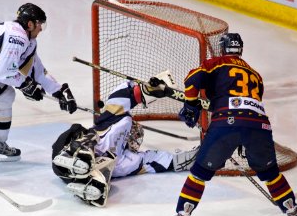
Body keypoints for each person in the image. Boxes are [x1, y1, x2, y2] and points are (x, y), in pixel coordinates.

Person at [168, 32, 297, 216]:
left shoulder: (216, 63)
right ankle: (293, 210)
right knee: (270, 174)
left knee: (199, 174)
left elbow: (192, 79)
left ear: (223, 48)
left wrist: (191, 104)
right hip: (259, 126)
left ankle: (183, 215)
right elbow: (251, 102)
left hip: (225, 124)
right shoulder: (255, 74)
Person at [0, 3, 77, 162]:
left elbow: (36, 70)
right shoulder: (17, 37)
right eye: (39, 24)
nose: (41, 29)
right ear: (30, 24)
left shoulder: (26, 39)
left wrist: (59, 91)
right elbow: (4, 73)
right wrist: (26, 85)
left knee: (6, 96)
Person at [52, 80, 198, 207]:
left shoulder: (130, 159)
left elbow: (156, 160)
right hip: (65, 152)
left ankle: (88, 184)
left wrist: (188, 159)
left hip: (76, 175)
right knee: (82, 132)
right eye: (136, 134)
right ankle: (74, 156)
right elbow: (119, 98)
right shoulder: (118, 121)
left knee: (103, 183)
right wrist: (145, 90)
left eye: (137, 138)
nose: (135, 139)